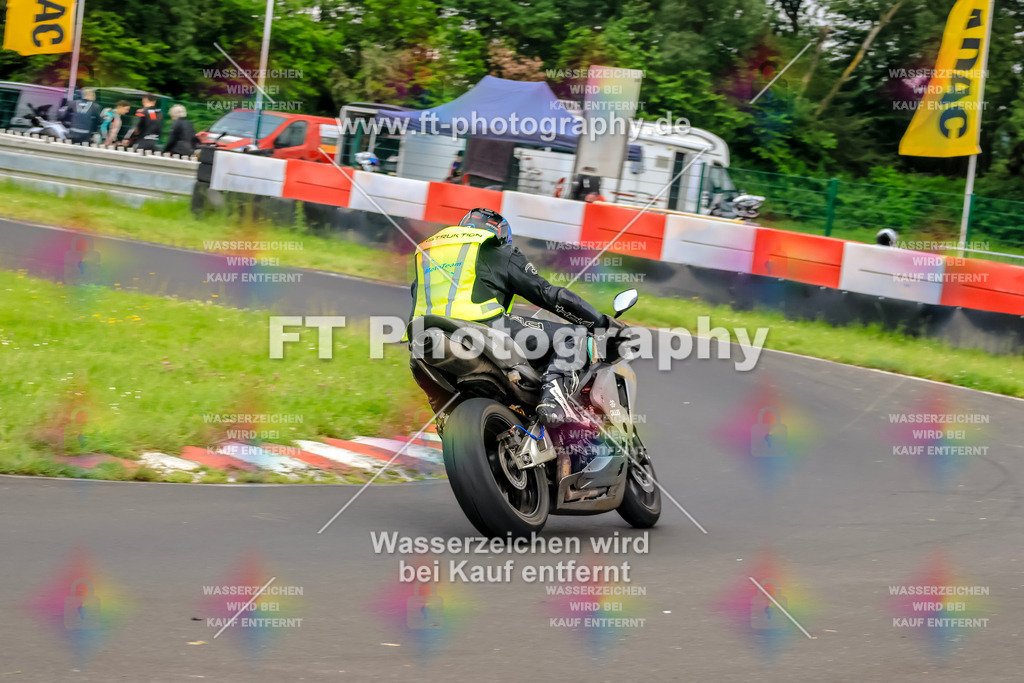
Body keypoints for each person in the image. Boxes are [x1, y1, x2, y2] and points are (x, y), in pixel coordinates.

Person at [407, 207, 621, 427]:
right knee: (574, 335)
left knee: (423, 369)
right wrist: (601, 324)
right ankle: (553, 399)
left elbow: (415, 298)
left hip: (424, 337)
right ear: (499, 234)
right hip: (483, 326)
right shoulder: (494, 249)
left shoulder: (429, 257)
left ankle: (445, 417)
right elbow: (551, 296)